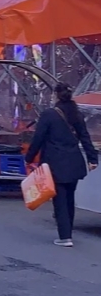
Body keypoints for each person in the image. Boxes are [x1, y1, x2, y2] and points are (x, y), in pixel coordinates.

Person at [25, 82, 98, 247]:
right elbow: (85, 137)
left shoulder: (49, 115)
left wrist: (29, 158)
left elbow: (38, 138)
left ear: (56, 96)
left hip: (55, 163)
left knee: (59, 199)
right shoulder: (76, 114)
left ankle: (65, 237)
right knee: (69, 198)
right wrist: (93, 159)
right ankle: (68, 232)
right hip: (74, 162)